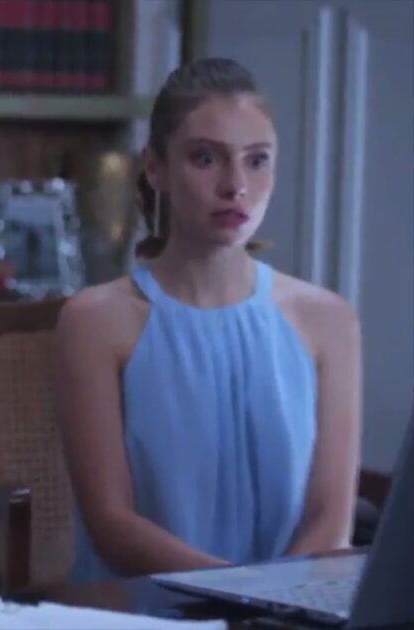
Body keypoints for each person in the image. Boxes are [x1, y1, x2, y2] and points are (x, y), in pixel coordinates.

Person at [55, 57, 363, 584]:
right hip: (145, 611)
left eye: (257, 160)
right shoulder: (95, 322)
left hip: (287, 611)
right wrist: (242, 593)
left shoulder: (328, 321)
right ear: (156, 168)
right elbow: (112, 525)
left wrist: (275, 604)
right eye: (205, 158)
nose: (236, 185)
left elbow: (330, 522)